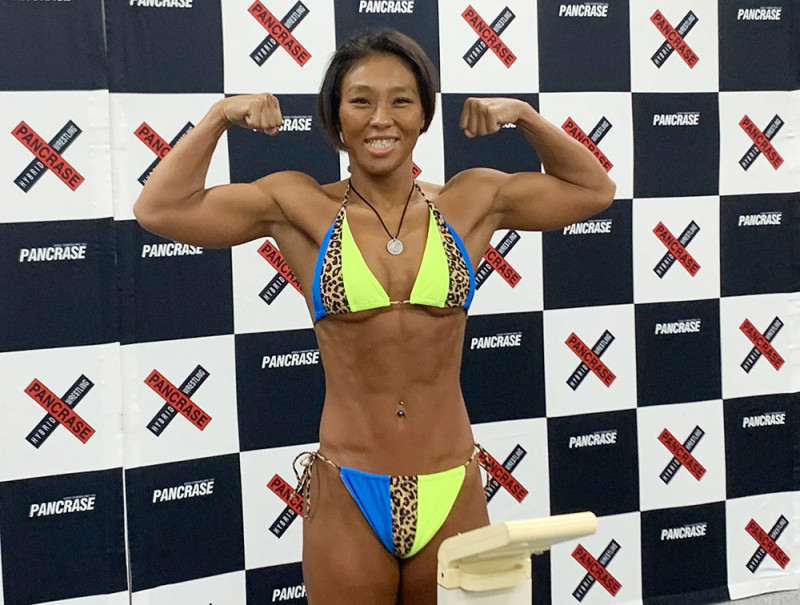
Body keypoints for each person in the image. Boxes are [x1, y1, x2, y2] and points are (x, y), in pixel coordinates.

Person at [134, 29, 615, 605]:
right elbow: (159, 208)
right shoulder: (298, 205)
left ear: (424, 116)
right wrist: (218, 117)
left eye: (401, 100)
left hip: (452, 484)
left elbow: (593, 189)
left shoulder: (471, 200)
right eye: (361, 100)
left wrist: (525, 118)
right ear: (336, 118)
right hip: (349, 489)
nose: (381, 118)